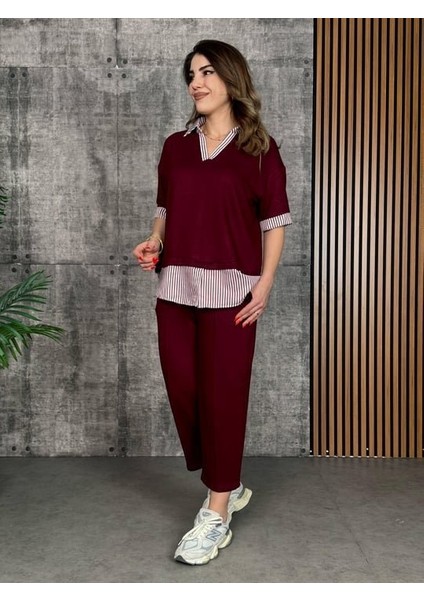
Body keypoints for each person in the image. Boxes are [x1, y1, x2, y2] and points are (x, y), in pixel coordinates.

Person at [133, 39, 291, 566]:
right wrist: (155, 241)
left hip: (234, 295)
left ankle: (217, 508)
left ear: (230, 78)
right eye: (191, 75)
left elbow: (273, 222)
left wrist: (265, 284)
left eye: (206, 72)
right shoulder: (175, 146)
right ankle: (228, 478)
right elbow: (165, 209)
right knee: (185, 387)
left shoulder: (260, 149)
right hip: (176, 288)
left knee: (224, 396)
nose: (195, 83)